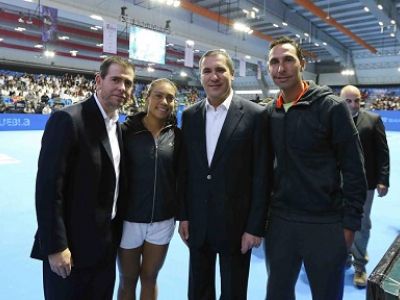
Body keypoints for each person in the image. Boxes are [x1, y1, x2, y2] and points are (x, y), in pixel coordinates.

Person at [264, 36, 367, 300]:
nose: (281, 68)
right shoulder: (269, 114)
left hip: (325, 223)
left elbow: (354, 168)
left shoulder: (331, 107)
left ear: (302, 63)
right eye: (274, 62)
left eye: (288, 60)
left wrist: (350, 224)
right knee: (277, 294)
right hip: (280, 223)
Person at [31, 56, 135, 300]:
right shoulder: (68, 120)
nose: (122, 88)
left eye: (128, 83)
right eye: (116, 79)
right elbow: (48, 189)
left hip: (105, 247)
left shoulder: (118, 128)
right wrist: (56, 246)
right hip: (70, 249)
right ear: (98, 81)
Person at [178, 49, 269, 299]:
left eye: (220, 70)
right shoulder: (189, 115)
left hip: (237, 227)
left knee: (233, 292)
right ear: (200, 77)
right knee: (198, 291)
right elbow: (186, 171)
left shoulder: (255, 115)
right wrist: (184, 216)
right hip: (198, 223)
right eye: (207, 71)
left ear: (232, 74)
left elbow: (262, 176)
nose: (214, 76)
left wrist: (254, 227)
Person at [117, 78, 182, 300]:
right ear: (147, 98)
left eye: (170, 98)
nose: (164, 101)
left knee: (150, 277)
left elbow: (182, 177)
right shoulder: (125, 132)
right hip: (129, 219)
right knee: (127, 279)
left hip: (162, 220)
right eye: (159, 95)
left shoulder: (178, 136)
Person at [340, 85, 390, 288]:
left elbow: (382, 152)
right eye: (348, 101)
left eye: (357, 100)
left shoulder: (373, 120)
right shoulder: (333, 120)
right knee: (338, 222)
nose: (353, 104)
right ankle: (345, 257)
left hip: (365, 183)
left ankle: (360, 266)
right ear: (340, 100)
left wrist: (383, 179)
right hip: (336, 182)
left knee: (360, 223)